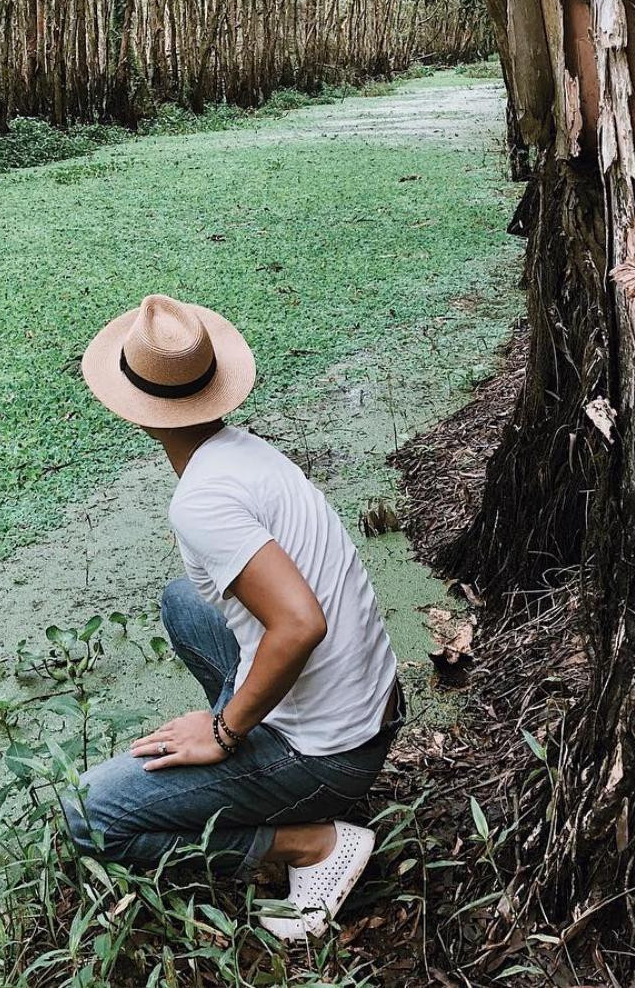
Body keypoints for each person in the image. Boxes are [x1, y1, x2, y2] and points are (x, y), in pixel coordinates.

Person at [61, 293, 404, 940]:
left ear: (136, 411)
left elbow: (300, 622)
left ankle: (311, 842)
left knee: (88, 814)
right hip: (372, 705)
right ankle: (248, 765)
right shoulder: (244, 453)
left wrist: (223, 729)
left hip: (333, 751)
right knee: (184, 602)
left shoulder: (203, 500)